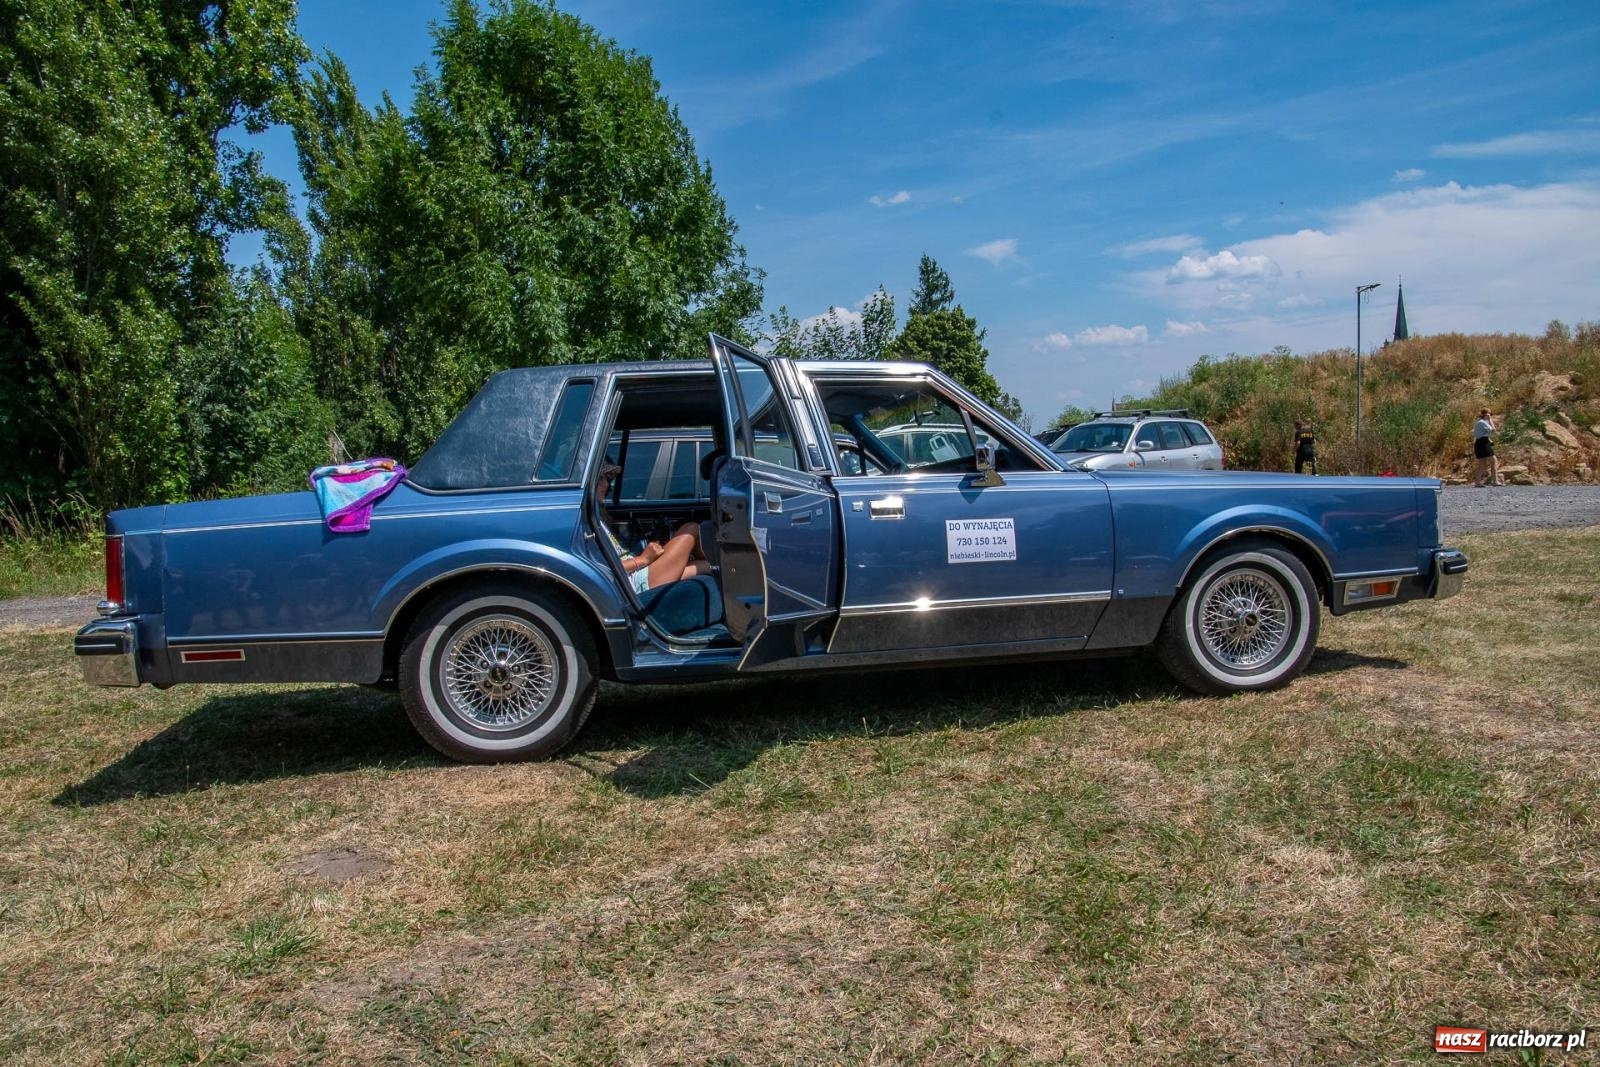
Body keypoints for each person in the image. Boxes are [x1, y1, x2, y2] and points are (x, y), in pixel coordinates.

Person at [594, 463, 709, 592]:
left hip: (634, 571)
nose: (606, 484)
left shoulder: (594, 515)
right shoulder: (584, 523)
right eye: (600, 479)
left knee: (707, 567)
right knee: (691, 529)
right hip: (632, 581)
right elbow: (600, 569)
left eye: (607, 479)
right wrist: (643, 559)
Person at [1472, 409, 1500, 487]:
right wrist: (1490, 420)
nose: (1490, 416)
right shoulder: (1482, 422)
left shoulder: (1480, 421)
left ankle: (1478, 482)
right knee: (1494, 461)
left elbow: (1482, 434)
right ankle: (1495, 481)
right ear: (1485, 414)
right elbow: (1493, 430)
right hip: (1483, 443)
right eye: (1489, 414)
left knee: (1482, 463)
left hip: (1481, 442)